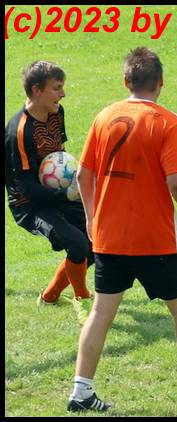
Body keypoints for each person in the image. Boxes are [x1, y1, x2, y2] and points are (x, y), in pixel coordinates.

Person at [67, 47, 177, 412]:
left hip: (110, 237)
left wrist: (92, 219)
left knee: (101, 313)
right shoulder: (168, 122)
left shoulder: (104, 116)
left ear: (126, 81)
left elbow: (82, 176)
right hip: (156, 239)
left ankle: (81, 392)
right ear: (161, 83)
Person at [5, 61, 95, 324]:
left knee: (93, 240)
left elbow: (58, 156)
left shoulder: (56, 112)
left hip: (57, 192)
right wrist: (67, 195)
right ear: (37, 90)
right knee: (77, 243)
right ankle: (82, 299)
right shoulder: (19, 131)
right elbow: (26, 188)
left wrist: (73, 178)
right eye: (57, 88)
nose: (63, 94)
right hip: (29, 204)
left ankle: (50, 297)